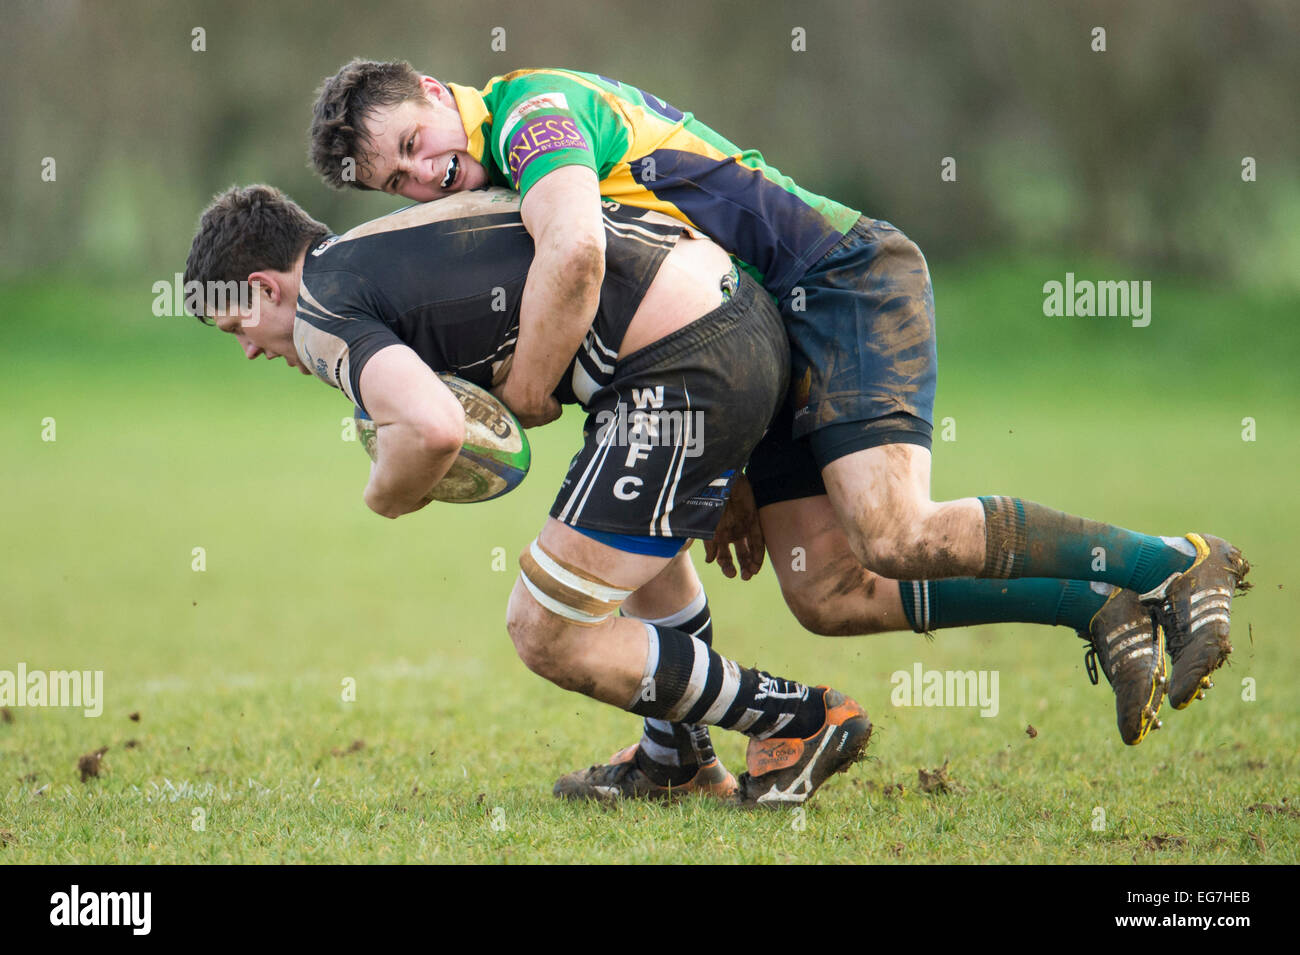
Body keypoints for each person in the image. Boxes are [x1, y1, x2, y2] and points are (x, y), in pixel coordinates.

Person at [305, 61, 1250, 756]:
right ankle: (1094, 603)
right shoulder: (504, 166)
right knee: (830, 592)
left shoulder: (532, 114)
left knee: (894, 529)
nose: (422, 178)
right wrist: (732, 461)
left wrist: (520, 395)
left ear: (435, 91)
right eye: (396, 183)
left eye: (412, 148)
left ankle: (1173, 562)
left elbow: (580, 258)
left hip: (838, 275)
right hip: (757, 333)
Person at [182, 183, 873, 805]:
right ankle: (676, 759)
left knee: (546, 629)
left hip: (685, 358)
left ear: (265, 287)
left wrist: (386, 494)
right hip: (729, 317)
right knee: (630, 554)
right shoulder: (378, 249)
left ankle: (800, 717)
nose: (248, 348)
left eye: (236, 325)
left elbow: (431, 428)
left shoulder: (319, 310)